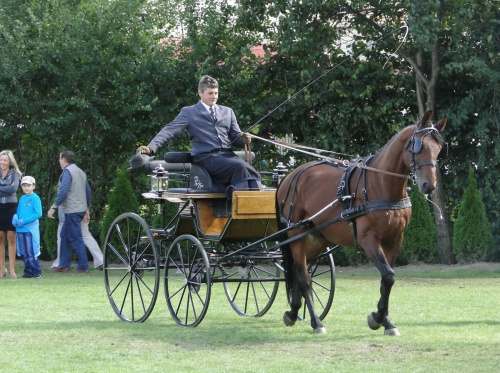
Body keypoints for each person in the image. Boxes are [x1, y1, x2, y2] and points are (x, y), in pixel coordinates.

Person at [137, 75, 261, 192]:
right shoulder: (189, 112)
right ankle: (240, 209)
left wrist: (244, 139)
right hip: (206, 158)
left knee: (250, 170)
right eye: (210, 93)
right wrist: (151, 147)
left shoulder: (227, 112)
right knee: (241, 167)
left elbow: (236, 138)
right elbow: (169, 130)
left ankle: (256, 208)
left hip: (227, 157)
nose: (214, 97)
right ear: (200, 92)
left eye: (216, 93)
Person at [47, 150, 91, 273]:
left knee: (76, 238)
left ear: (64, 159)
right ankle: (64, 264)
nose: (59, 161)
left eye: (60, 159)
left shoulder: (67, 172)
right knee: (64, 235)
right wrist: (86, 209)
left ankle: (83, 266)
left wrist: (54, 206)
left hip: (72, 210)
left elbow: (64, 190)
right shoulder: (81, 172)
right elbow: (88, 192)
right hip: (80, 209)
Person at [12, 176, 42, 279]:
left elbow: (38, 213)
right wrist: (16, 217)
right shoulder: (22, 198)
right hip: (20, 229)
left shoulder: (35, 197)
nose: (26, 188)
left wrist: (24, 221)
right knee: (24, 251)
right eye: (24, 186)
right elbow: (19, 211)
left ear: (33, 186)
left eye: (28, 185)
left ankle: (36, 272)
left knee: (31, 251)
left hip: (30, 229)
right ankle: (28, 272)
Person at [0, 150, 22, 279]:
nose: (2, 162)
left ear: (10, 162)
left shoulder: (15, 174)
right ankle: (2, 269)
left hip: (11, 207)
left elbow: (13, 190)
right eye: (1, 160)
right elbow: (8, 189)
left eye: (5, 160)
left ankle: (13, 270)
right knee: (0, 237)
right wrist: (5, 189)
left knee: (11, 237)